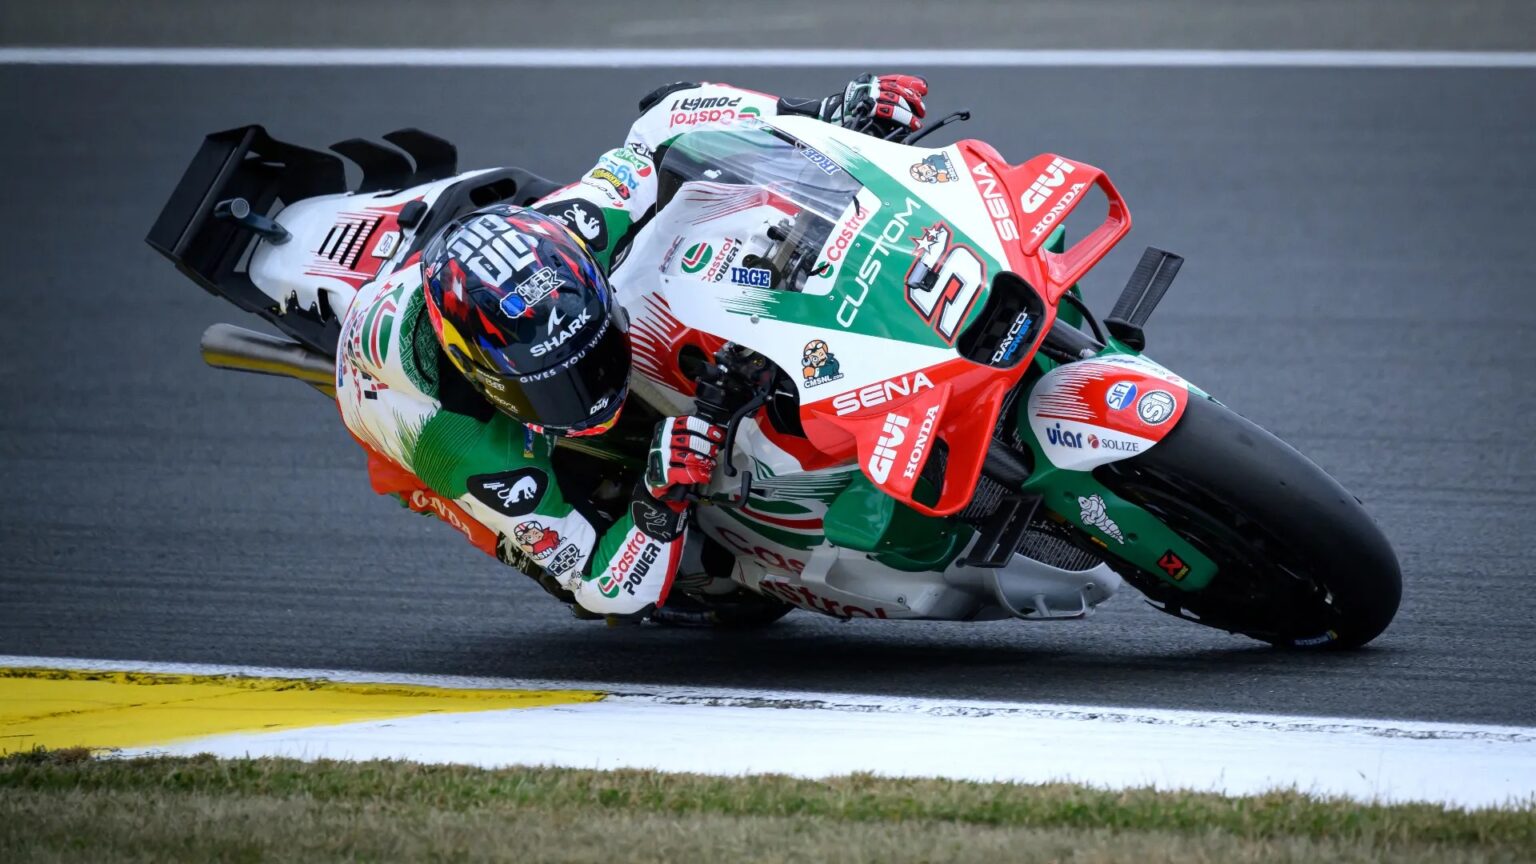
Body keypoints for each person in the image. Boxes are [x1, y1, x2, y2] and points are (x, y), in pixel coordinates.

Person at [334, 74, 930, 618]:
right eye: (556, 383)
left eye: (593, 355)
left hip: (491, 268)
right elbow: (605, 589)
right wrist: (658, 494)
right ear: (486, 378)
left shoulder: (581, 223)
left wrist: (820, 110)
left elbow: (666, 116)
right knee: (692, 577)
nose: (593, 387)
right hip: (392, 400)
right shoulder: (453, 440)